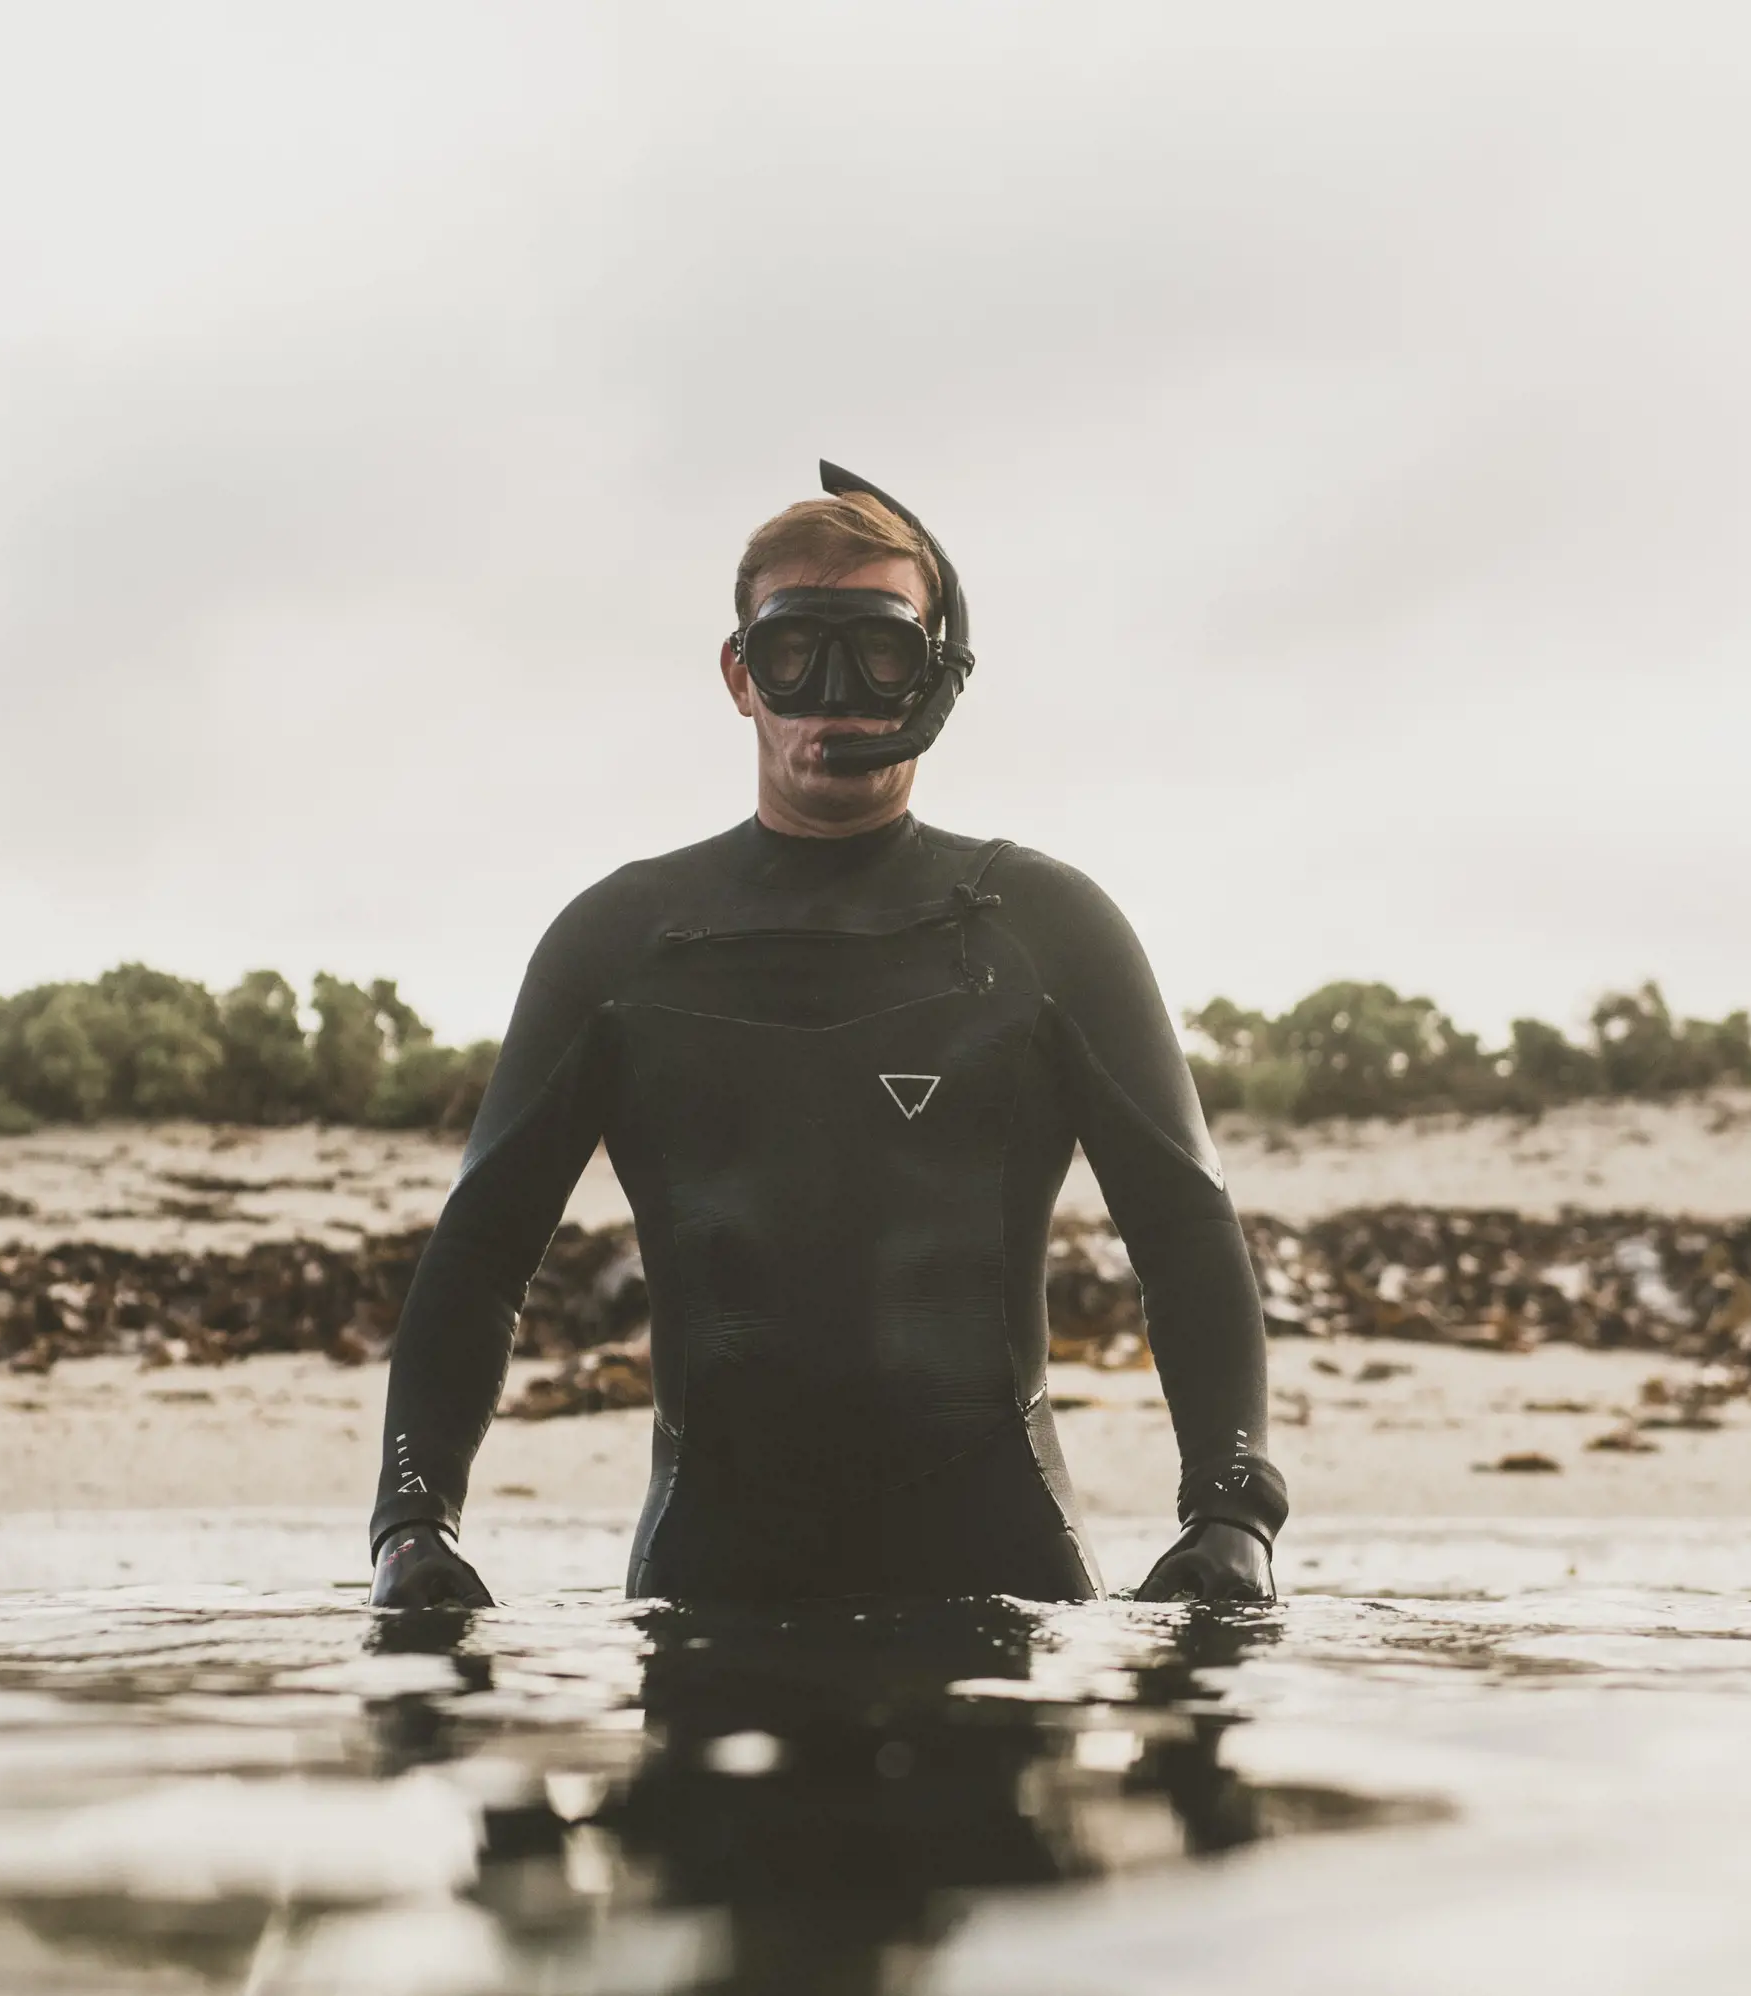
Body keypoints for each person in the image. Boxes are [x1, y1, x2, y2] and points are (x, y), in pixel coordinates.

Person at [367, 464, 1285, 1608]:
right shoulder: (620, 944)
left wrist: (1232, 1512)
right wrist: (412, 1527)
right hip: (706, 1586)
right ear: (739, 674)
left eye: (883, 652)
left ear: (937, 678)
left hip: (1004, 1586)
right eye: (796, 650)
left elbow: (1185, 1228)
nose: (836, 692)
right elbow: (479, 1250)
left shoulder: (1046, 932)